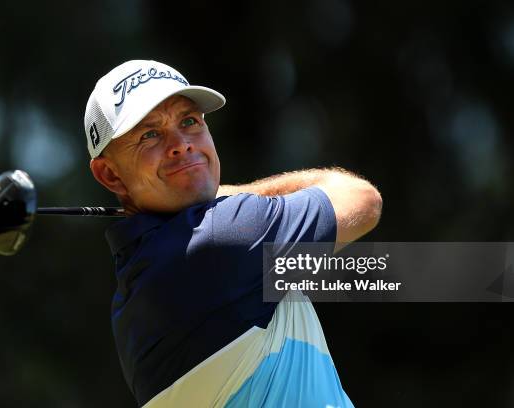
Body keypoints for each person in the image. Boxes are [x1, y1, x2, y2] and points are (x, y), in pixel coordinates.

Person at [84, 60, 382, 407]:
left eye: (189, 121)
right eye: (149, 134)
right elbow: (362, 199)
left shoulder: (130, 297)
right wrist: (232, 192)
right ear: (110, 175)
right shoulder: (224, 237)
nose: (181, 144)